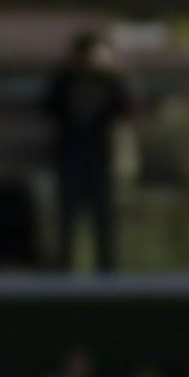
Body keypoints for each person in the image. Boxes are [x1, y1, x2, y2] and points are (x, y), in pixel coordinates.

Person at [45, 28, 132, 271]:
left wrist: (114, 74)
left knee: (103, 217)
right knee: (67, 218)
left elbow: (125, 108)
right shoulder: (64, 80)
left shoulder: (109, 81)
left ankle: (107, 269)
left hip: (99, 158)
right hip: (70, 157)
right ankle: (63, 267)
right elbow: (49, 106)